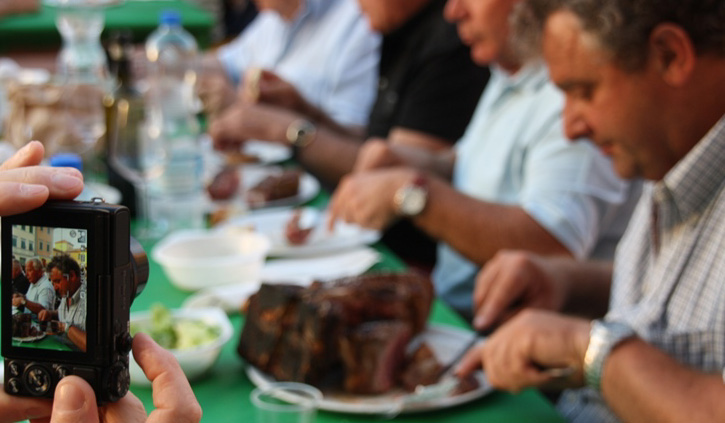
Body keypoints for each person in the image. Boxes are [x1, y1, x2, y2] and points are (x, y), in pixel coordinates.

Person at [456, 0, 725, 422]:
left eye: (584, 91)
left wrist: (590, 351)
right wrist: (567, 280)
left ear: (670, 56)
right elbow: (689, 302)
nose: (570, 127)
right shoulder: (668, 151)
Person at [326, 0, 637, 320]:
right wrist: (408, 161)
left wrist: (412, 195)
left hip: (506, 332)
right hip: (457, 307)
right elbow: (474, 167)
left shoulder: (570, 96)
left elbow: (552, 246)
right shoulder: (511, 71)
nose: (453, 12)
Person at [0, 141, 202, 423]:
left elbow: (81, 336)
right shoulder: (67, 299)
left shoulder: (87, 299)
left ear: (71, 278)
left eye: (56, 282)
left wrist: (62, 325)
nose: (53, 286)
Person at [210, 0, 489, 186]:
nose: (353, 5)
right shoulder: (397, 31)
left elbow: (393, 176)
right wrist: (302, 109)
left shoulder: (448, 42)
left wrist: (287, 130)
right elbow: (370, 147)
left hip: (403, 257)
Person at [197, 0, 381, 128]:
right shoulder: (274, 17)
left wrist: (244, 109)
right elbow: (227, 61)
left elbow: (351, 137)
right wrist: (175, 62)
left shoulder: (359, 19)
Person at [39, 254, 87, 352]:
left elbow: (92, 346)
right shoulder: (67, 293)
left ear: (72, 276)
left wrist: (64, 327)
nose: (55, 287)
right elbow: (63, 313)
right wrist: (50, 313)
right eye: (53, 283)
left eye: (57, 281)